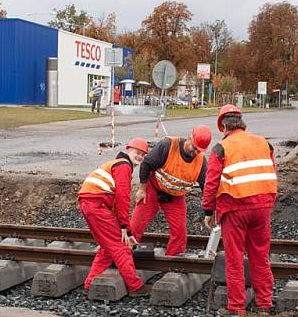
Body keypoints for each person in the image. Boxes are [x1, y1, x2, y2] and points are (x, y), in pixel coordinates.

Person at [202, 105, 277, 315]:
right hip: (262, 206)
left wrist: (208, 211)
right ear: (242, 123)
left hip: (235, 208)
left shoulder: (222, 147)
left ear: (224, 126)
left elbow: (211, 182)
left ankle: (236, 307)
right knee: (260, 255)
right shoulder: (265, 143)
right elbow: (269, 172)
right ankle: (264, 304)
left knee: (234, 258)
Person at [79, 138, 152, 296]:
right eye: (137, 153)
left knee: (107, 248)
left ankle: (89, 284)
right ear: (128, 150)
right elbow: (122, 198)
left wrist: (130, 232)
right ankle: (135, 287)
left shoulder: (117, 164)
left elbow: (115, 202)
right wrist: (124, 227)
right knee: (121, 246)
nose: (140, 156)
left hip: (90, 204)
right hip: (96, 204)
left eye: (143, 155)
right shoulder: (124, 166)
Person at [129, 126, 212, 255]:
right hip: (153, 188)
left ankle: (173, 260)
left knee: (180, 231)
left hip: (176, 196)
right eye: (194, 148)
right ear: (190, 138)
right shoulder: (168, 145)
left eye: (199, 150)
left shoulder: (200, 162)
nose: (195, 152)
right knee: (136, 224)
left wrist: (210, 211)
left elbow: (205, 187)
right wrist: (142, 189)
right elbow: (146, 165)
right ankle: (124, 252)